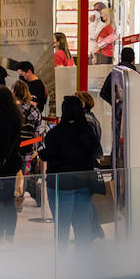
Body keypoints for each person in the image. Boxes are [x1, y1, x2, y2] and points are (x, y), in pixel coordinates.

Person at [42, 95, 101, 247]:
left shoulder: (55, 134)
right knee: (83, 225)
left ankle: (61, 260)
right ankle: (83, 259)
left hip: (61, 184)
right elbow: (94, 150)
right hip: (84, 181)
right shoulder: (88, 131)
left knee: (62, 226)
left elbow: (49, 154)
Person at [0, 85, 24, 241]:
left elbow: (4, 146)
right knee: (1, 200)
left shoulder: (5, 119)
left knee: (4, 201)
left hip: (4, 165)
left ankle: (4, 235)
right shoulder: (5, 116)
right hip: (6, 163)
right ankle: (3, 234)